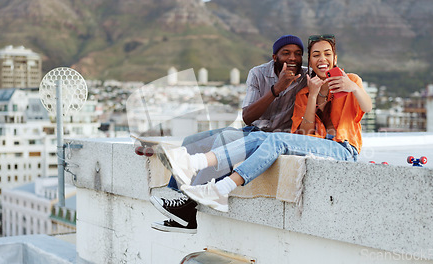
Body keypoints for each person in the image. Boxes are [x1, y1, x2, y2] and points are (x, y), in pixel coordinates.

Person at [156, 34, 372, 214]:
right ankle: (188, 178)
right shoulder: (305, 91)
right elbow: (306, 134)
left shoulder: (351, 80)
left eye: (327, 54)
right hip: (307, 142)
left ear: (335, 58)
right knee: (241, 137)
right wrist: (314, 95)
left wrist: (352, 87)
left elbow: (368, 106)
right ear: (311, 61)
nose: (321, 58)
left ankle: (215, 187)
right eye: (316, 54)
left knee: (267, 138)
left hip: (344, 148)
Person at [150, 35, 308, 233]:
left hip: (274, 138)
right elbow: (248, 117)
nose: (293, 58)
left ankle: (186, 209)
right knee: (193, 140)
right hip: (253, 129)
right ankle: (182, 206)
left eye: (298, 54)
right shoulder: (258, 74)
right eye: (286, 53)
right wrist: (277, 89)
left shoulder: (306, 77)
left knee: (223, 140)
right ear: (275, 56)